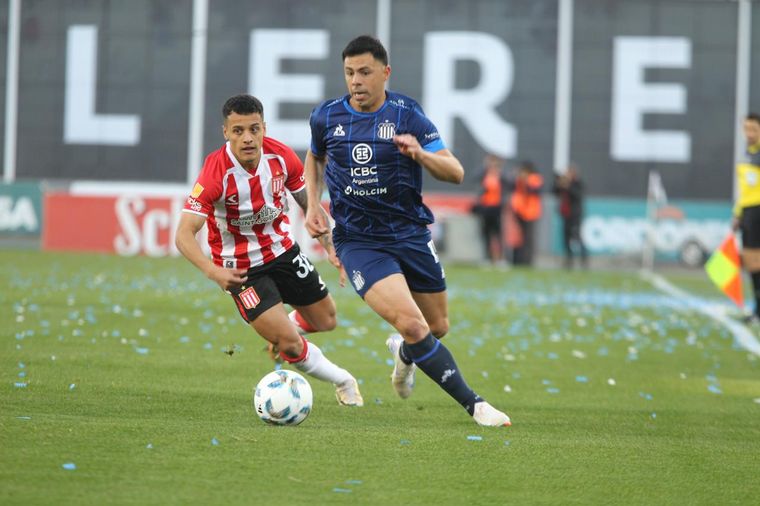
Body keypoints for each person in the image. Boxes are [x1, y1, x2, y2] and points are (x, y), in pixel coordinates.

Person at [303, 35, 510, 427]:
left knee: (436, 327)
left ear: (385, 73)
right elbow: (314, 156)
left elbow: (456, 171)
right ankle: (476, 405)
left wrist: (420, 154)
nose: (356, 81)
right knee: (413, 325)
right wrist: (314, 205)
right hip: (360, 241)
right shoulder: (327, 116)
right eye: (349, 73)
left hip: (410, 234)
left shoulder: (407, 114)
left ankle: (404, 355)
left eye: (364, 72)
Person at [175, 94, 363, 406]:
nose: (247, 138)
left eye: (254, 129)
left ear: (264, 127)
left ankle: (281, 326)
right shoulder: (215, 173)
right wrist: (212, 270)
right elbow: (183, 234)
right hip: (242, 271)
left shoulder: (281, 157)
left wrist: (332, 245)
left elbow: (310, 205)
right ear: (226, 132)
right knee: (290, 344)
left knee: (326, 320)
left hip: (283, 252)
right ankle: (343, 380)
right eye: (238, 131)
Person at [733, 112, 760, 324]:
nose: (749, 133)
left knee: (755, 261)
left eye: (754, 129)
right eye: (747, 129)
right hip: (749, 211)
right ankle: (757, 309)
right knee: (751, 262)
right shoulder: (746, 155)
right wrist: (738, 213)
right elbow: (745, 190)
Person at [552, 163, 588, 269]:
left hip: (575, 216)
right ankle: (569, 262)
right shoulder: (564, 184)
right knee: (566, 239)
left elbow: (578, 195)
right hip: (566, 215)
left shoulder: (578, 183)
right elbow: (554, 192)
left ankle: (584, 261)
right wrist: (559, 183)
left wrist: (568, 186)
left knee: (577, 238)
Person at [508, 160, 544, 266]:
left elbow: (534, 191)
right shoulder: (519, 179)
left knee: (529, 238)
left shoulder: (535, 178)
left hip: (531, 213)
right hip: (520, 211)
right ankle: (519, 260)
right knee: (520, 238)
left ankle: (528, 261)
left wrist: (525, 180)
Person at [473, 154, 507, 264]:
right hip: (485, 207)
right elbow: (474, 177)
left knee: (498, 234)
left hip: (497, 208)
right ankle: (488, 258)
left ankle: (501, 259)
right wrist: (485, 167)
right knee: (486, 233)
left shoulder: (501, 175)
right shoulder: (484, 174)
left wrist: (499, 169)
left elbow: (509, 182)